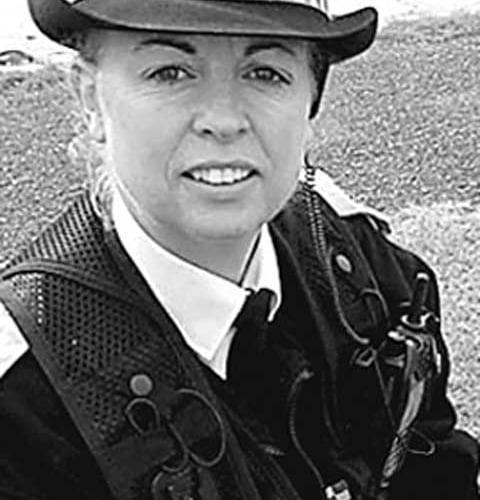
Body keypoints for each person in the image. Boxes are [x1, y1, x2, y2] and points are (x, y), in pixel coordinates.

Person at [0, 0, 478, 499]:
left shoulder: (360, 267)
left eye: (265, 73)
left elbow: (435, 466)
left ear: (312, 100)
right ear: (90, 98)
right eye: (170, 72)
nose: (224, 120)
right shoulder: (23, 408)